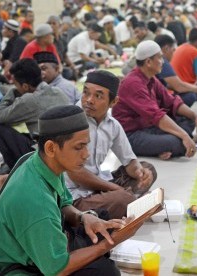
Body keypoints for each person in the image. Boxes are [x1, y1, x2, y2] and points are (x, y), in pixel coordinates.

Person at [0, 105, 142, 275]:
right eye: (78, 147)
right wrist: (109, 244)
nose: (86, 154)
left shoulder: (40, 162)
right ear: (51, 148)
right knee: (105, 271)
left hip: (40, 247)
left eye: (86, 145)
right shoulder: (34, 199)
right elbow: (57, 270)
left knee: (102, 221)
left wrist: (83, 217)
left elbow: (64, 204)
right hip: (14, 270)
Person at [65, 71, 157, 219]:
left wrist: (140, 172)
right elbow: (75, 174)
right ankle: (125, 202)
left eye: (98, 96)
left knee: (149, 169)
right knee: (123, 200)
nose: (89, 100)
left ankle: (123, 202)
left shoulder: (112, 125)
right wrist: (115, 189)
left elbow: (129, 160)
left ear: (113, 102)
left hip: (98, 184)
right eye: (86, 92)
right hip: (74, 195)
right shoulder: (72, 121)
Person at [112, 41, 197, 160]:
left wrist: (196, 116)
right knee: (179, 144)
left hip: (149, 127)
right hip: (130, 135)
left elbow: (171, 101)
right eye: (160, 58)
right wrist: (184, 136)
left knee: (188, 120)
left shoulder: (150, 78)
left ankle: (161, 146)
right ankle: (163, 146)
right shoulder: (133, 83)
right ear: (149, 62)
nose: (163, 62)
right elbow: (157, 116)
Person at [0, 58, 70, 170]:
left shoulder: (29, 99)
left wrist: (12, 92)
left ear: (25, 86)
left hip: (45, 156)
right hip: (63, 150)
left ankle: (19, 171)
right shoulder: (58, 91)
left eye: (16, 84)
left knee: (0, 130)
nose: (15, 87)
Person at [154, 34, 197, 107]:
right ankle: (177, 117)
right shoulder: (162, 62)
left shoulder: (154, 59)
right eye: (173, 50)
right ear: (166, 49)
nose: (174, 54)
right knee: (191, 96)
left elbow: (168, 84)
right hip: (157, 104)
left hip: (154, 101)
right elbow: (179, 86)